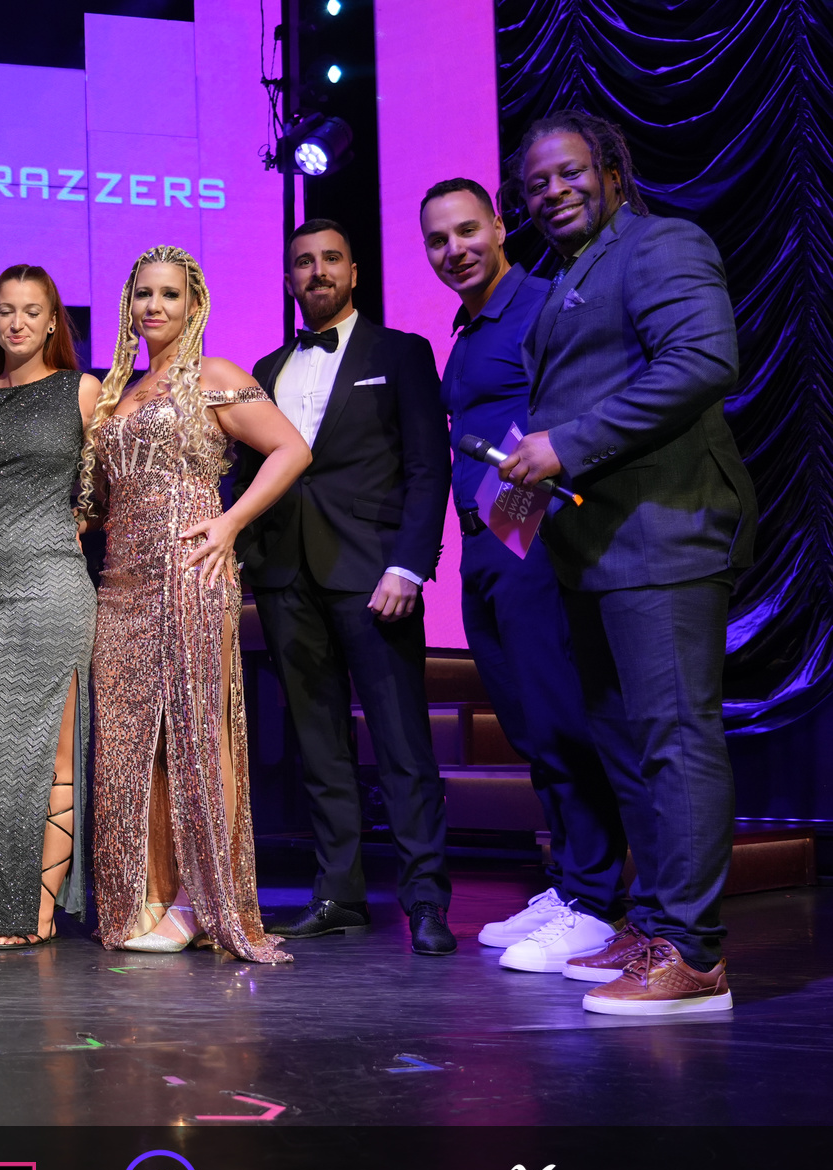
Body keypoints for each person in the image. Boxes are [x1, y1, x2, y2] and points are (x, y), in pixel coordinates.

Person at [498, 111, 757, 1015]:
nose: (553, 192)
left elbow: (703, 360)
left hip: (664, 531)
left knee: (674, 737)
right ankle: (652, 924)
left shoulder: (659, 244)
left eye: (570, 173)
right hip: (598, 546)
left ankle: (695, 952)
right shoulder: (568, 274)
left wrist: (566, 444)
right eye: (536, 183)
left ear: (612, 170)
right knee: (628, 743)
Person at [419, 178, 629, 972]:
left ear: (500, 227)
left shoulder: (541, 303)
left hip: (529, 531)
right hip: (485, 542)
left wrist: (518, 509)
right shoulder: (468, 328)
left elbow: (577, 407)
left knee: (558, 714)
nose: (455, 250)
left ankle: (595, 900)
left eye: (467, 231)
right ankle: (570, 881)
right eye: (438, 240)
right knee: (527, 722)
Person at [84, 246, 311, 960]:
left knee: (196, 734)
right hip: (120, 581)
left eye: (169, 295)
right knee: (130, 745)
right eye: (143, 294)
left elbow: (291, 449)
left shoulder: (215, 377)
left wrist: (230, 521)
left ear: (194, 306)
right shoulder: (120, 393)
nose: (154, 306)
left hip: (189, 569)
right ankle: (147, 896)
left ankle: (199, 900)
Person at [241, 219, 456, 956]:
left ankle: (425, 899)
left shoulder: (401, 353)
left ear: (354, 271)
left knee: (401, 742)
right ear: (289, 279)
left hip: (373, 575)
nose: (318, 271)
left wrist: (410, 564)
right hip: (286, 578)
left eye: (331, 258)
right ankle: (339, 894)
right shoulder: (267, 367)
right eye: (304, 262)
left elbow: (428, 467)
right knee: (318, 744)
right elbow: (254, 474)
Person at [0, 265, 100, 949]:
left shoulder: (82, 391)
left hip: (54, 591)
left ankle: (37, 911)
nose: (17, 323)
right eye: (6, 310)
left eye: (32, 311)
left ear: (53, 320)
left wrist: (84, 519)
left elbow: (108, 486)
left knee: (53, 760)